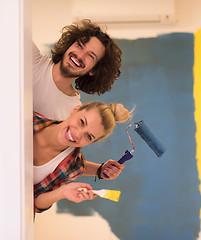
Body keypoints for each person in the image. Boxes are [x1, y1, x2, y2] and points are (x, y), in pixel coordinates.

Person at [33, 19, 124, 180]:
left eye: (91, 56)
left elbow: (61, 161)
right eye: (80, 45)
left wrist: (99, 170)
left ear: (94, 70)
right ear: (70, 44)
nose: (79, 55)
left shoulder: (75, 111)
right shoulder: (30, 58)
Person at [33, 102, 133, 213]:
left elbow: (35, 203)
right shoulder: (27, 118)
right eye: (82, 122)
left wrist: (62, 192)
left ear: (92, 142)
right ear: (76, 109)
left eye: (89, 136)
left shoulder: (69, 167)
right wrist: (99, 169)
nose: (78, 134)